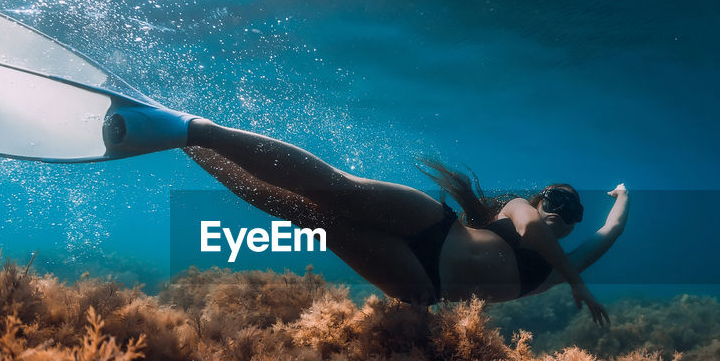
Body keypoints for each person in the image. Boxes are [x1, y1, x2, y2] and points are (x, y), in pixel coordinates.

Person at [181, 118, 630, 323]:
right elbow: (532, 231)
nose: (559, 208)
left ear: (574, 225)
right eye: (553, 197)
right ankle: (194, 131)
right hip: (436, 227)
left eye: (571, 209)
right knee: (334, 188)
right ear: (539, 199)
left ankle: (186, 147)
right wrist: (577, 282)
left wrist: (622, 195)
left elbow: (612, 229)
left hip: (423, 287)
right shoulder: (520, 211)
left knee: (306, 216)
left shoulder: (560, 267)